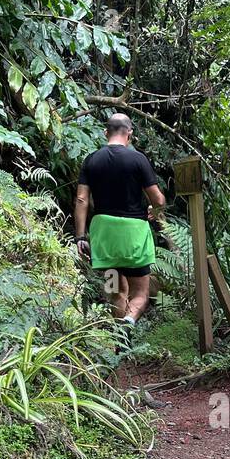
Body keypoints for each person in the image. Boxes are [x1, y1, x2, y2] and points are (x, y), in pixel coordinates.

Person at [74, 113, 166, 324]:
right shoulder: (138, 160)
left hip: (105, 238)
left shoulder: (91, 160)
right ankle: (129, 321)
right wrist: (156, 207)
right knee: (141, 294)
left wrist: (80, 236)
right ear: (130, 134)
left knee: (115, 291)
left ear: (106, 133)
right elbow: (158, 199)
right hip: (133, 236)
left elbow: (81, 200)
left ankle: (119, 342)